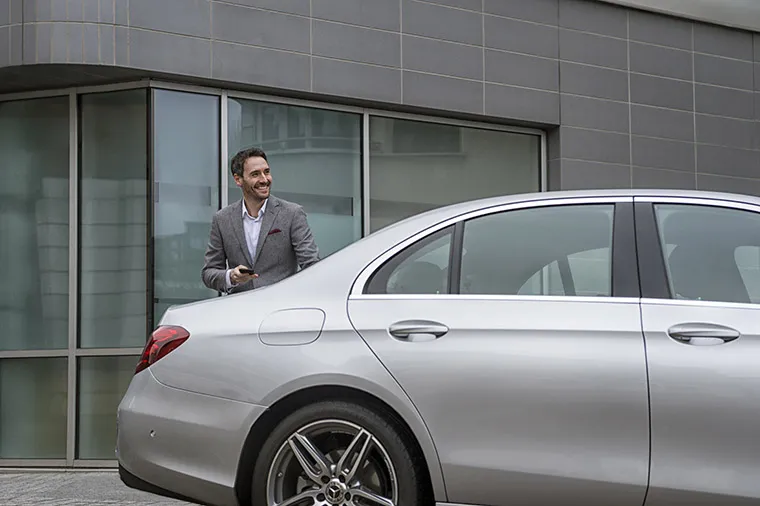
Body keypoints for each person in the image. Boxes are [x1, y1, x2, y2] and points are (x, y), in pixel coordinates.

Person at [201, 147, 319, 294]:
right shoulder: (222, 219)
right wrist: (231, 276)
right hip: (239, 309)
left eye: (267, 172)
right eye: (255, 174)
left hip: (281, 308)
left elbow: (312, 266)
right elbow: (209, 272)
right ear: (238, 179)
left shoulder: (292, 214)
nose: (264, 179)